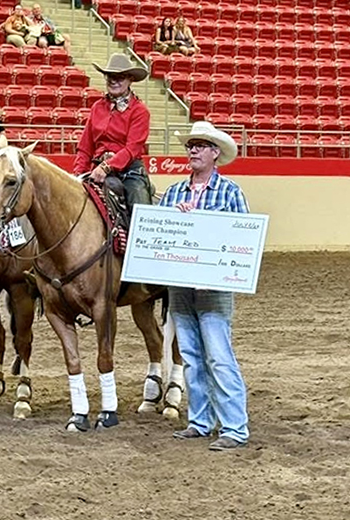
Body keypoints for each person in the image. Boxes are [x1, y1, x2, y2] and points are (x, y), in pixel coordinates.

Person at [160, 121, 250, 451]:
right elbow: (159, 238)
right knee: (192, 357)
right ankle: (200, 421)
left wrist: (198, 221)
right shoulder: (171, 194)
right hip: (181, 289)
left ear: (215, 153)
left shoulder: (230, 192)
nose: (193, 150)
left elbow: (241, 239)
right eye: (191, 145)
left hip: (213, 290)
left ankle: (234, 426)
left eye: (201, 145)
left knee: (218, 356)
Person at [73, 53, 153, 211]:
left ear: (130, 79)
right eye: (110, 76)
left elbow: (132, 149)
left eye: (120, 77)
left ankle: (141, 234)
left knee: (139, 204)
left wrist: (106, 167)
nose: (114, 80)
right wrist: (78, 173)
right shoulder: (97, 107)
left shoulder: (140, 111)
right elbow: (85, 146)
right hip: (96, 168)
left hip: (129, 171)